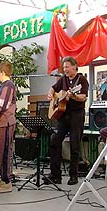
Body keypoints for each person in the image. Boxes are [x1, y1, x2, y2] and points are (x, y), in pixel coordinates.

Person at [45, 56, 89, 185]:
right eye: (64, 67)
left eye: (67, 67)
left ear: (75, 67)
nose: (65, 70)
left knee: (74, 145)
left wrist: (73, 96)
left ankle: (73, 175)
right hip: (63, 115)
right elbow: (53, 88)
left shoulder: (81, 80)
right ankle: (55, 175)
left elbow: (83, 97)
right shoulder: (63, 79)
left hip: (77, 115)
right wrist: (50, 94)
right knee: (55, 140)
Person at [0, 62, 16, 194]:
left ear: (2, 72)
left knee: (5, 152)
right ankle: (3, 179)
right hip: (1, 123)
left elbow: (2, 105)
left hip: (5, 123)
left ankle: (7, 181)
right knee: (0, 152)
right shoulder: (3, 86)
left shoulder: (8, 86)